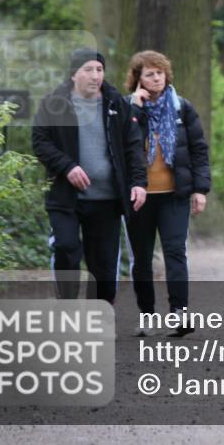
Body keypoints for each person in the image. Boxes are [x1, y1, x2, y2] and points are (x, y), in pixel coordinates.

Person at [32, 48, 148, 304]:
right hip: (66, 198)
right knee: (65, 248)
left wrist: (139, 182)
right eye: (88, 69)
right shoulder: (54, 103)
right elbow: (40, 141)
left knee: (104, 266)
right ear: (74, 74)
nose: (95, 75)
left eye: (99, 69)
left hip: (107, 200)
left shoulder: (115, 103)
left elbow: (133, 145)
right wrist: (67, 166)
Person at [124, 51, 210, 337]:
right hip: (139, 198)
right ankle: (147, 315)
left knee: (175, 252)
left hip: (175, 194)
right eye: (149, 73)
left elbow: (198, 149)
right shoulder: (125, 110)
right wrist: (135, 108)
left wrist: (200, 189)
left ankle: (179, 315)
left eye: (160, 72)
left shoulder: (182, 108)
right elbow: (123, 145)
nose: (156, 77)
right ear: (137, 79)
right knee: (142, 258)